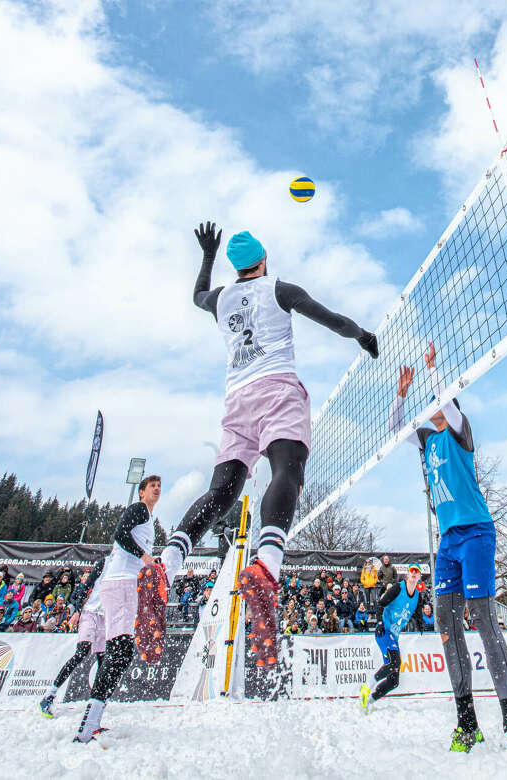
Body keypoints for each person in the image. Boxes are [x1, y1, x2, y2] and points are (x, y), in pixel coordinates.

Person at [136, 222, 378, 669]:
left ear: (238, 266)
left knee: (221, 492)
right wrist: (363, 335)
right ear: (263, 260)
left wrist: (207, 255)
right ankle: (266, 564)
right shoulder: (280, 289)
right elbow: (333, 320)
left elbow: (197, 295)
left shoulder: (221, 299)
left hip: (237, 399)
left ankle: (166, 563)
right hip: (276, 388)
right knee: (288, 470)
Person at [389, 344, 507, 751]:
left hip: (477, 535)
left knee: (483, 620)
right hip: (448, 542)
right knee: (446, 626)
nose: (430, 410)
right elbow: (397, 428)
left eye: (435, 405)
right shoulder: (427, 441)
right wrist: (402, 391)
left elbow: (447, 403)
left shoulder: (460, 433)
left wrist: (433, 370)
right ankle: (467, 723)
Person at [73, 475, 161, 743]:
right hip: (120, 584)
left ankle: (93, 720)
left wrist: (149, 564)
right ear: (141, 492)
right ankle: (89, 723)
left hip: (123, 584)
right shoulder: (138, 509)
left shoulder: (148, 519)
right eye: (152, 486)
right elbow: (120, 534)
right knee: (121, 651)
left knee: (118, 652)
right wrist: (144, 557)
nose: (157, 489)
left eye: (160, 486)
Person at [39, 559, 107, 718]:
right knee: (81, 653)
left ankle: (96, 702)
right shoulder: (105, 563)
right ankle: (50, 695)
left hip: (106, 618)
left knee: (103, 661)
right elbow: (86, 587)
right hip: (90, 613)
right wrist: (77, 610)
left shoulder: (128, 566)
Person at [360, 564, 423, 711]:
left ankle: (368, 701)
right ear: (407, 575)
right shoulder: (398, 588)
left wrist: (420, 623)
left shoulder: (417, 596)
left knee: (394, 680)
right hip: (384, 630)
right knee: (395, 662)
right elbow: (380, 604)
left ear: (419, 577)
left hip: (393, 636)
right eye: (412, 570)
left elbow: (417, 612)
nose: (414, 573)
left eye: (417, 571)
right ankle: (367, 685)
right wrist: (380, 622)